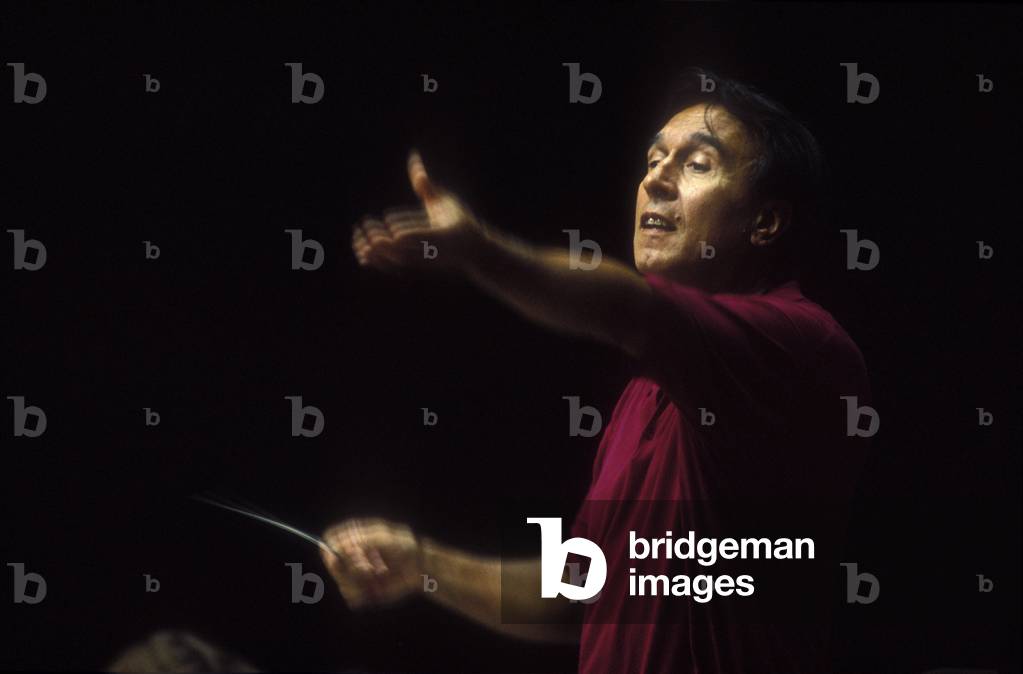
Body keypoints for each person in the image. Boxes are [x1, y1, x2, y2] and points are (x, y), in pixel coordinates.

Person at [321, 66, 871, 674]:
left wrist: (482, 251)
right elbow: (578, 592)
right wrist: (421, 565)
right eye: (654, 157)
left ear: (766, 222)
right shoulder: (643, 394)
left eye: (697, 163)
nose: (656, 178)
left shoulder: (800, 345)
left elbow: (627, 308)